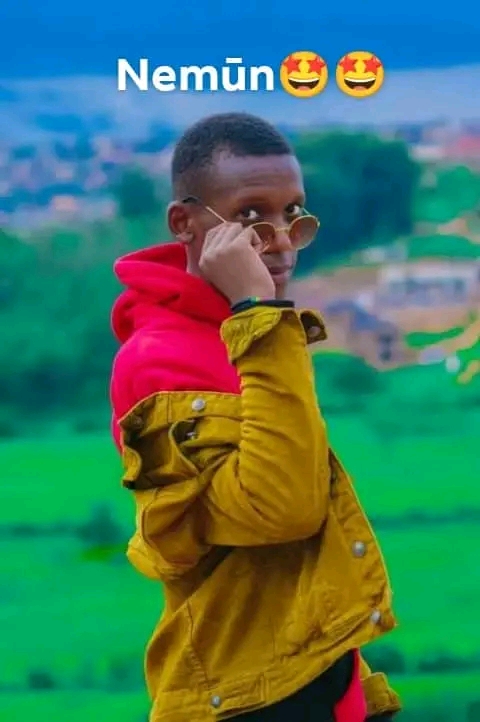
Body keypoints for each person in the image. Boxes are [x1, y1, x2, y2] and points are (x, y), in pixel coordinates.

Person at [109, 112, 401, 722]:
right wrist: (255, 312)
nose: (282, 240)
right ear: (184, 224)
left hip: (318, 680)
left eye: (293, 213)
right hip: (246, 699)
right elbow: (282, 507)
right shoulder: (158, 359)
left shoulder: (244, 334)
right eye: (250, 216)